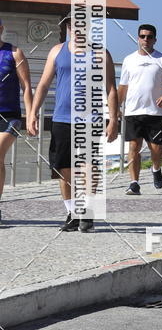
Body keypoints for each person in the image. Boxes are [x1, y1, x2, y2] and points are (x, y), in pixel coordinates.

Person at [28, 16, 118, 232]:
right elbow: (42, 85)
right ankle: (72, 212)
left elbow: (111, 88)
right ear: (67, 28)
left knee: (88, 166)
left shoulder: (100, 53)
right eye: (71, 25)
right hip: (62, 118)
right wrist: (32, 113)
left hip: (90, 119)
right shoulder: (56, 51)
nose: (76, 29)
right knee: (63, 168)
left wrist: (113, 119)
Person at [118, 24, 162, 195]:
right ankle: (134, 183)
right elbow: (123, 86)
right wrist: (115, 108)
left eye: (149, 37)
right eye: (142, 36)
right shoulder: (129, 60)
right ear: (138, 38)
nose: (145, 40)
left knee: (156, 148)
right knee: (133, 147)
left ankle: (156, 169)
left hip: (154, 111)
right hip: (133, 111)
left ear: (155, 39)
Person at [0, 19, 33, 225]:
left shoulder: (14, 53)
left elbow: (27, 86)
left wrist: (30, 115)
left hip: (9, 115)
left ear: (1, 29)